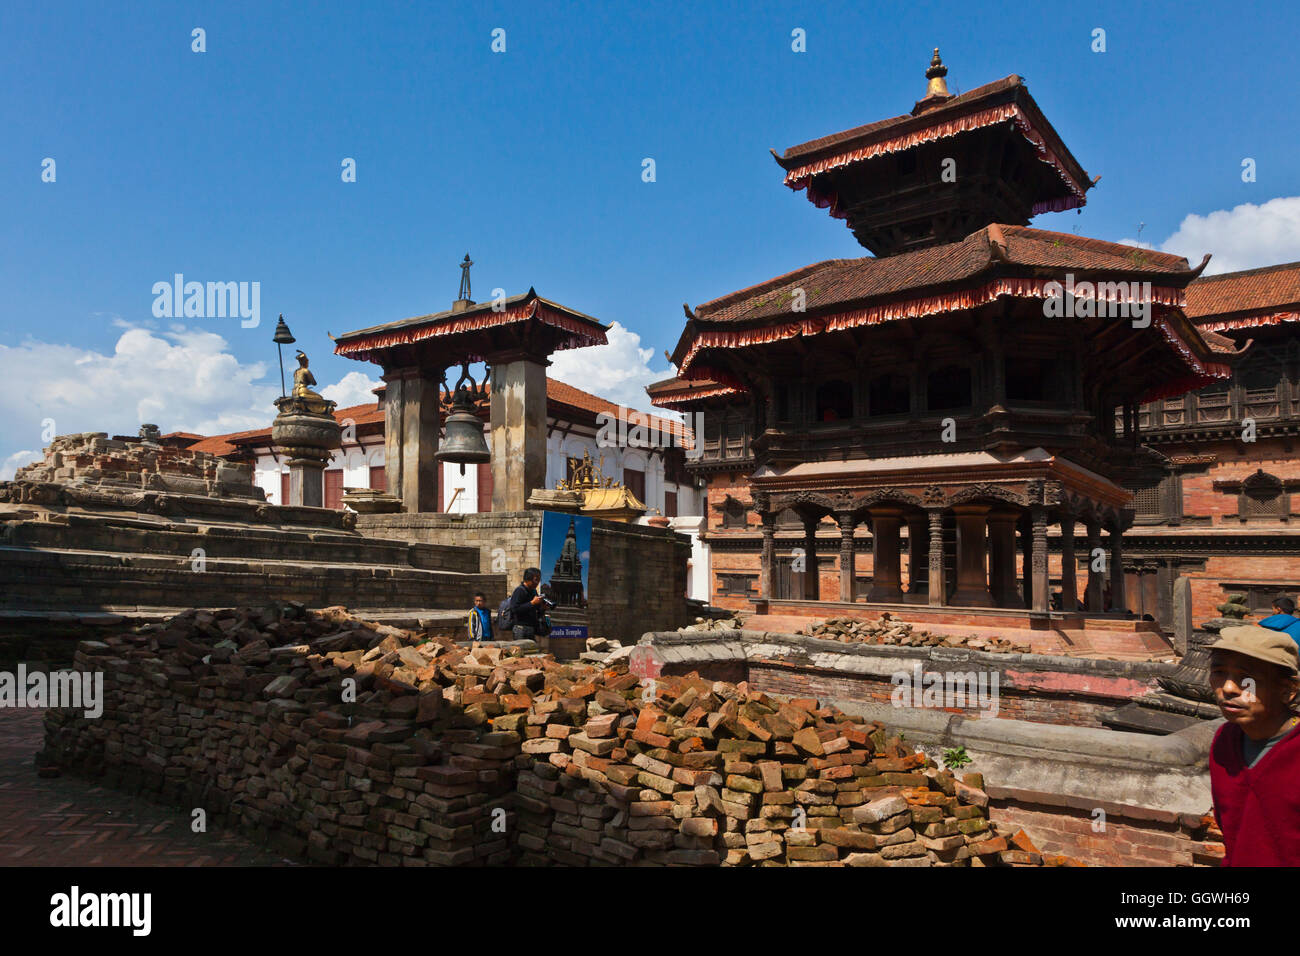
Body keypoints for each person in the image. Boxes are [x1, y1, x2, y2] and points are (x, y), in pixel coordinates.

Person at [1208, 624, 1300, 866]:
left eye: (1247, 679)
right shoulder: (1225, 741)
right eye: (1219, 672)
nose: (1228, 688)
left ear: (1287, 690)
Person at [507, 568, 544, 641]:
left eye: (539, 580)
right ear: (528, 579)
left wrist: (543, 608)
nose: (538, 582)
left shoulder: (533, 592)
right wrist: (532, 603)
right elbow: (515, 609)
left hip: (531, 627)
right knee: (520, 650)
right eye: (536, 580)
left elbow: (536, 611)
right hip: (520, 628)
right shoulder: (519, 590)